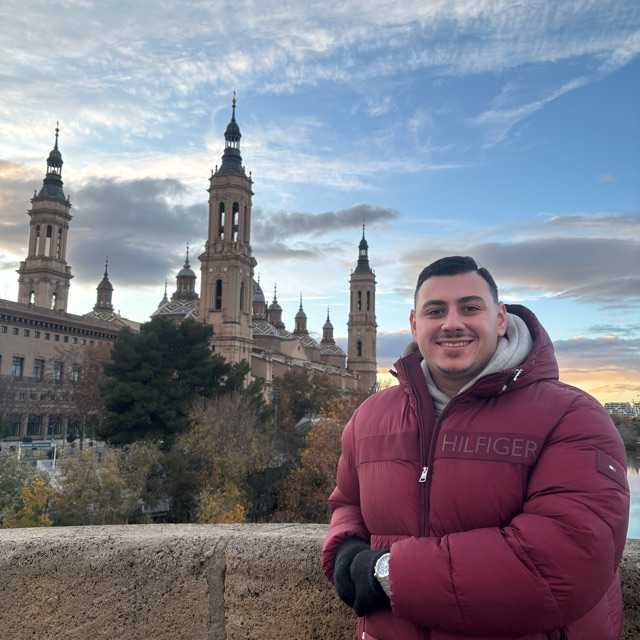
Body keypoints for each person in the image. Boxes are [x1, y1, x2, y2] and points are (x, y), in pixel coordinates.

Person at [322, 256, 629, 640]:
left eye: (470, 308)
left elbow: (566, 559)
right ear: (415, 325)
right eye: (436, 311)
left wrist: (386, 572)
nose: (452, 323)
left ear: (500, 319)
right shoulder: (370, 418)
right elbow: (347, 503)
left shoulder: (573, 416)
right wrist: (345, 549)